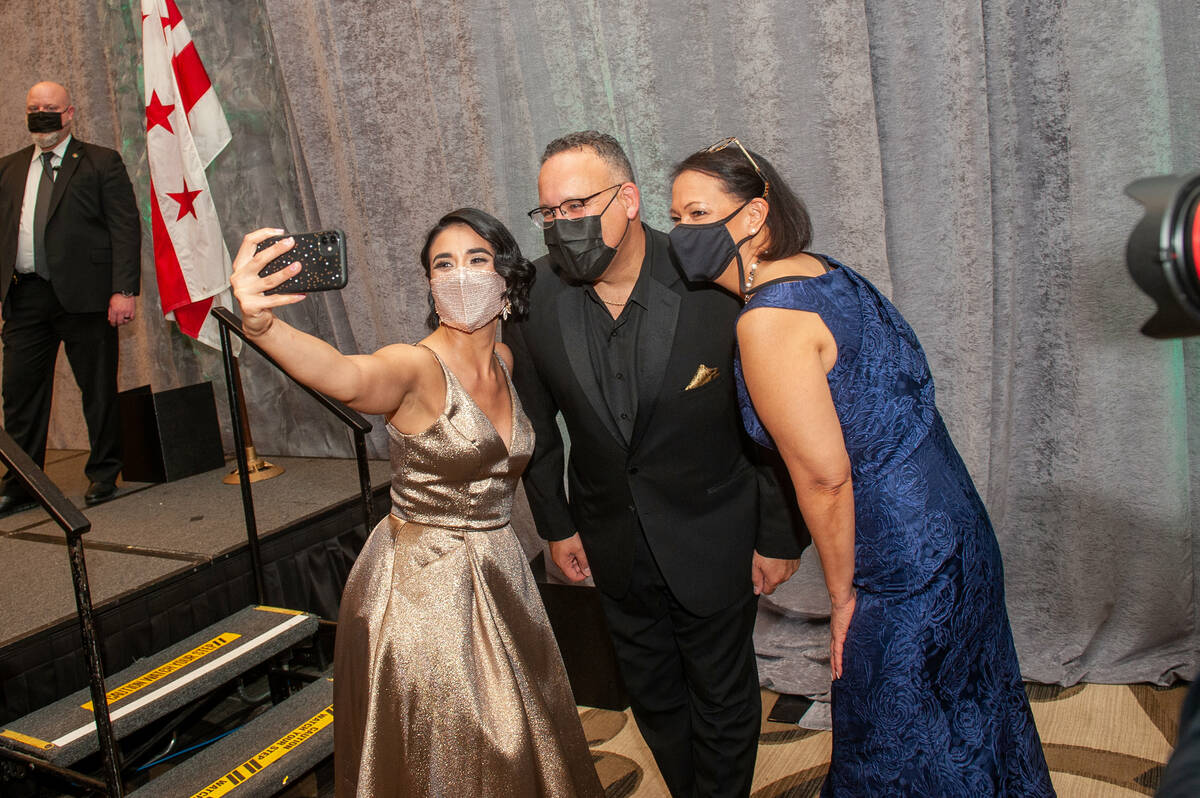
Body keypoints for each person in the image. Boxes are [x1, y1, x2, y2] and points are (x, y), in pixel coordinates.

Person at [667, 137, 1056, 796]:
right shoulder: (827, 272)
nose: (682, 234)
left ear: (754, 217)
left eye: (698, 216)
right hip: (955, 525)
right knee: (968, 718)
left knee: (893, 746)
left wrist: (844, 599)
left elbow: (824, 476)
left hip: (900, 563)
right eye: (675, 218)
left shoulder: (767, 321)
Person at [230, 209, 603, 798]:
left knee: (521, 739)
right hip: (423, 591)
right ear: (428, 284)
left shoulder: (505, 363)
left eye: (477, 260)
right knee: (455, 757)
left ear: (507, 277)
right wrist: (263, 326)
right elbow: (348, 376)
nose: (460, 276)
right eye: (442, 264)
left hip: (501, 571)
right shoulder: (414, 367)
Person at [505, 131, 803, 798]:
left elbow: (771, 427)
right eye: (549, 212)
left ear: (629, 200)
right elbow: (537, 428)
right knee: (654, 695)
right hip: (610, 538)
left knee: (724, 696)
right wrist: (556, 526)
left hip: (714, 529)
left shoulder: (714, 283)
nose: (563, 225)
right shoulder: (536, 296)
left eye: (578, 204)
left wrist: (778, 534)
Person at [0, 81, 140, 513]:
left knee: (96, 389)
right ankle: (22, 482)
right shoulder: (8, 167)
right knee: (19, 393)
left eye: (50, 107)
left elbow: (124, 228)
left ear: (69, 113)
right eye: (33, 107)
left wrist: (123, 290)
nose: (41, 113)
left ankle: (102, 474)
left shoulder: (101, 162)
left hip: (88, 298)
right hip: (26, 296)